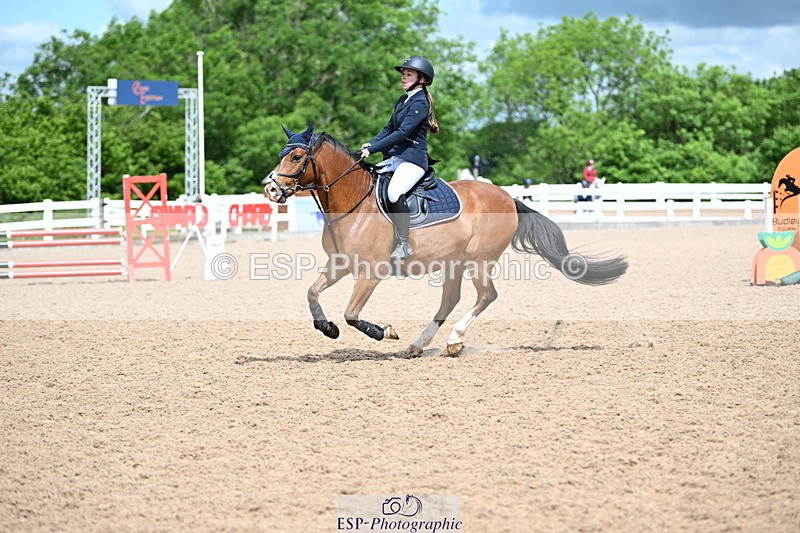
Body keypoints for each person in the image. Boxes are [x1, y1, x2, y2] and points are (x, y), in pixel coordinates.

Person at [360, 55, 439, 260]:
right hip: (397, 157)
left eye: (408, 74)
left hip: (413, 160)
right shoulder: (403, 99)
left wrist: (375, 148)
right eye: (403, 74)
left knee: (395, 192)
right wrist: (371, 143)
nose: (403, 77)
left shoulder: (420, 103)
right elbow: (389, 128)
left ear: (421, 79)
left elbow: (402, 133)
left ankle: (404, 244)